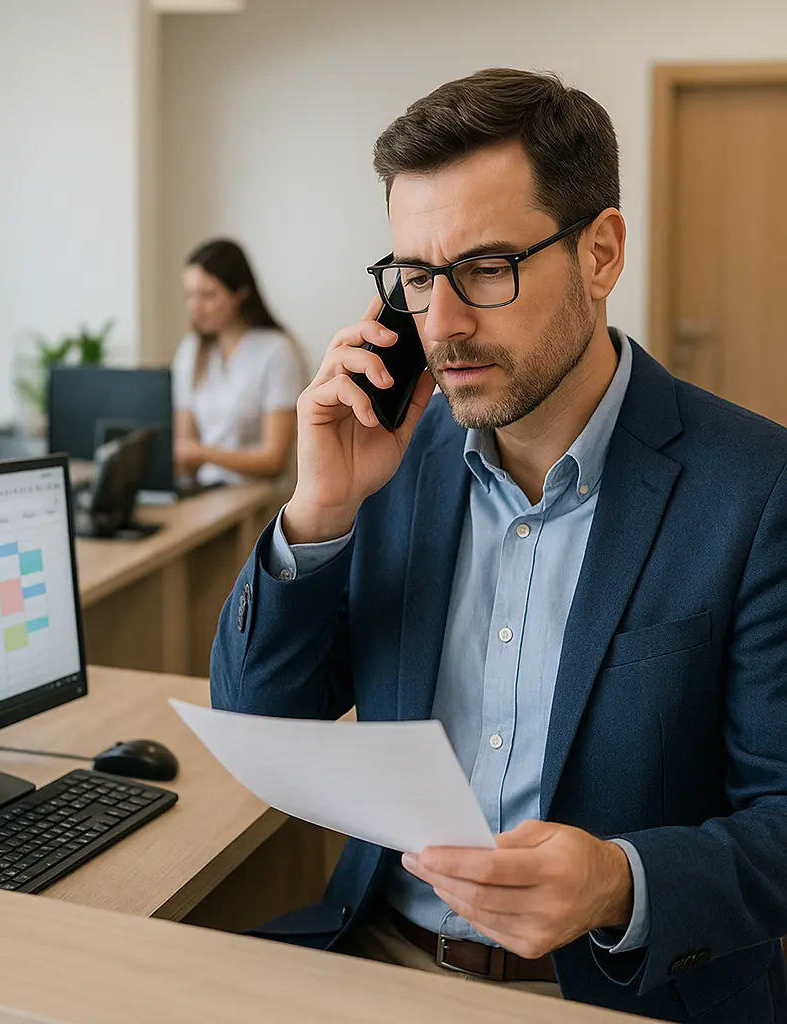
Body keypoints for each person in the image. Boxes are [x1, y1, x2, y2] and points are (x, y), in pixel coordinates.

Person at [210, 68, 787, 1023]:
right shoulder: (391, 465)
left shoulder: (755, 488)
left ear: (601, 253)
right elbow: (264, 720)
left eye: (485, 268)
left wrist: (618, 881)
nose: (441, 324)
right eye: (415, 277)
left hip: (618, 994)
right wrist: (319, 511)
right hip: (378, 956)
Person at [172, 239, 305, 487]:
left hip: (255, 499)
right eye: (189, 295)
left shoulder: (276, 351)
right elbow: (184, 446)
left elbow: (274, 460)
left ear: (240, 294)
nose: (195, 308)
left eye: (208, 295)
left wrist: (203, 454)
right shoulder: (191, 350)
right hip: (205, 491)